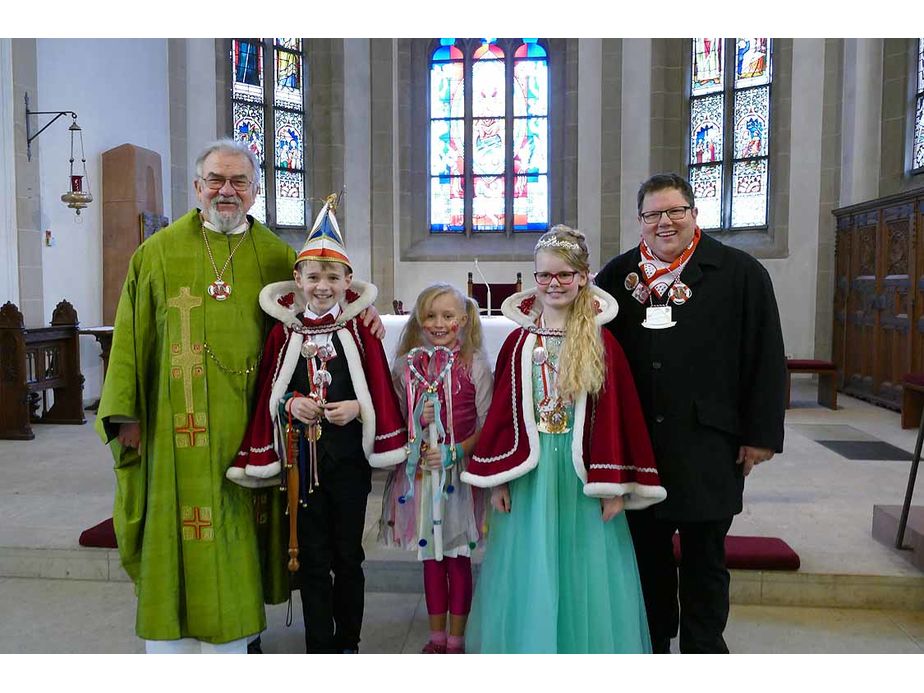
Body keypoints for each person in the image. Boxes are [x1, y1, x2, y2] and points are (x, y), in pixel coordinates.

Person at [96, 139, 383, 654]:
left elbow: (322, 308)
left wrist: (363, 315)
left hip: (256, 426)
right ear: (197, 187)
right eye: (216, 180)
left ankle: (242, 634)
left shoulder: (276, 255)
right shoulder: (156, 254)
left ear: (255, 192)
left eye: (239, 182)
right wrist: (126, 416)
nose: (226, 192)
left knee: (244, 529)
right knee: (186, 526)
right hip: (175, 423)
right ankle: (178, 632)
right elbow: (131, 336)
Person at [594, 172, 786, 654]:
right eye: (653, 214)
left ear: (694, 213)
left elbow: (766, 356)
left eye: (675, 211)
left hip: (709, 444)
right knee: (647, 556)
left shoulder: (739, 272)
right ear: (640, 222)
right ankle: (654, 644)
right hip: (639, 446)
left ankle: (703, 651)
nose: (665, 222)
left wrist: (760, 434)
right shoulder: (615, 279)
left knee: (705, 558)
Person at [460, 225, 666, 653]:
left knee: (581, 569)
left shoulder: (602, 342)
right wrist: (499, 478)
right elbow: (504, 415)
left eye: (564, 275)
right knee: (532, 566)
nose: (554, 284)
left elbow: (618, 418)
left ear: (583, 277)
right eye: (545, 276)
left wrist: (615, 488)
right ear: (533, 279)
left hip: (581, 478)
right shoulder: (517, 343)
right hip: (531, 475)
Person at [230, 195, 407, 654]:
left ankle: (347, 640)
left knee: (349, 555)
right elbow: (271, 392)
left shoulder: (361, 331)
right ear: (298, 280)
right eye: (314, 277)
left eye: (333, 277)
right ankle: (318, 646)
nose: (323, 286)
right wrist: (291, 404)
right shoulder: (284, 333)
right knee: (311, 558)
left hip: (347, 463)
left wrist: (358, 410)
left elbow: (379, 393)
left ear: (349, 281)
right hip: (301, 465)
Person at [378, 283, 493, 654]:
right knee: (430, 558)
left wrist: (455, 451)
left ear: (463, 319)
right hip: (423, 476)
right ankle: (436, 637)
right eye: (430, 316)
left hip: (458, 476)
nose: (438, 324)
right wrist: (416, 418)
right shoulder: (408, 366)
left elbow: (487, 422)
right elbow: (396, 421)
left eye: (447, 316)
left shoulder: (473, 363)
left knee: (457, 557)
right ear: (418, 320)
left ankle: (456, 639)